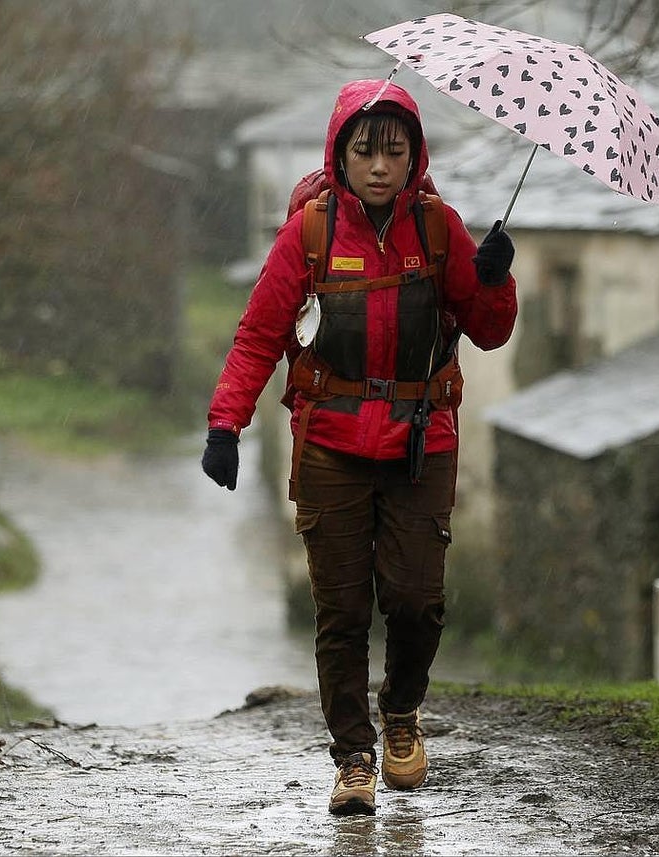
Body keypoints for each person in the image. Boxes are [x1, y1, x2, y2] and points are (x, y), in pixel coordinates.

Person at [201, 78, 517, 815]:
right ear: (340, 154)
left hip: (419, 443)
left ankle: (401, 713)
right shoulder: (307, 235)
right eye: (365, 149)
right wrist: (226, 424)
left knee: (415, 600)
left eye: (395, 151)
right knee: (340, 613)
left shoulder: (441, 231)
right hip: (330, 443)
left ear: (415, 158)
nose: (380, 165)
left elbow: (489, 326)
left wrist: (494, 280)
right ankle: (353, 758)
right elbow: (258, 335)